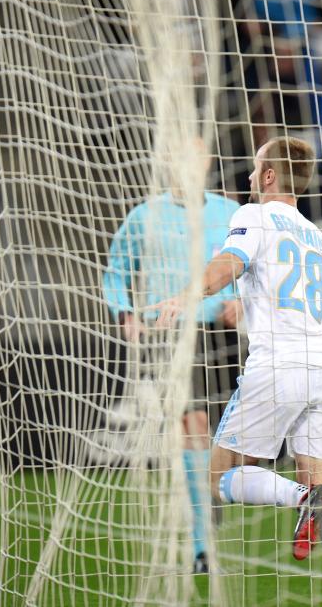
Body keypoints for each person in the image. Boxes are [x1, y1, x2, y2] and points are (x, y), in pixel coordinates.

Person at [154, 136, 322, 606]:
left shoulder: (253, 215)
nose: (250, 177)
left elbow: (228, 264)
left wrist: (187, 295)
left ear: (270, 176)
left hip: (277, 365)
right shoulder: (318, 237)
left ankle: (299, 497)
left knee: (220, 477)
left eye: (255, 169)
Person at [101, 140, 241, 574]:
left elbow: (250, 265)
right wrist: (125, 311)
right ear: (167, 163)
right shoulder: (145, 215)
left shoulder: (230, 212)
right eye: (180, 156)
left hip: (224, 333)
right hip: (173, 333)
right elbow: (116, 269)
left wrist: (242, 301)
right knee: (192, 426)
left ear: (207, 163)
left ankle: (208, 493)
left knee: (225, 437)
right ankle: (202, 543)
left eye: (196, 156)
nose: (188, 165)